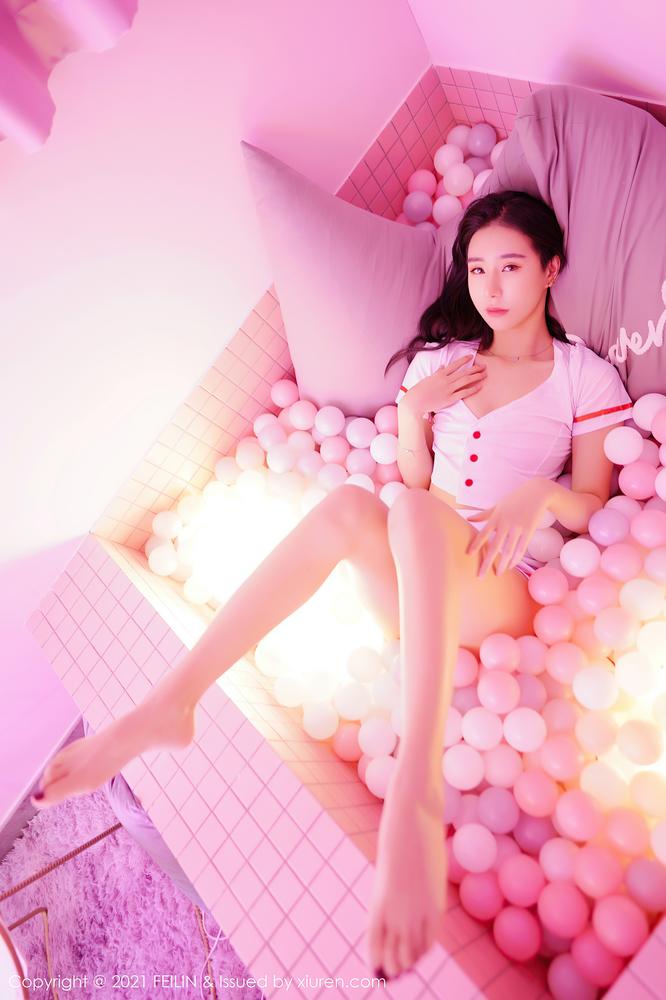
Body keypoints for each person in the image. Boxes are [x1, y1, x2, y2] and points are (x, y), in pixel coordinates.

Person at [31, 191, 633, 983]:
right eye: (477, 268)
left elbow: (594, 504)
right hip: (420, 574)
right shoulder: (441, 366)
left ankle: (416, 787)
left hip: (502, 587)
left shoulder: (581, 376)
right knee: (358, 505)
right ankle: (170, 703)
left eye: (511, 267)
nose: (491, 287)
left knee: (408, 513)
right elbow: (414, 483)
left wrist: (540, 498)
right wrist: (414, 411)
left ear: (551, 270)